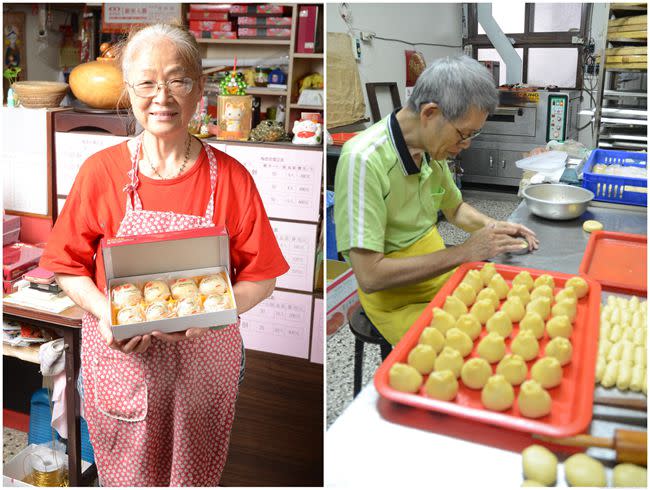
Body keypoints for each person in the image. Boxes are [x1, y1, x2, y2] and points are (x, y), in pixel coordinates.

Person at [40, 24, 289, 486]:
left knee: (193, 474)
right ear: (128, 90)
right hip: (123, 363)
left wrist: (215, 310)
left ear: (199, 89)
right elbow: (66, 266)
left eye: (177, 80)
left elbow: (262, 276)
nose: (162, 96)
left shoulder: (233, 179)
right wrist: (106, 312)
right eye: (147, 82)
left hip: (203, 365)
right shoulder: (101, 172)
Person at [334, 55, 539, 346]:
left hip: (438, 272)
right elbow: (370, 275)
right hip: (396, 297)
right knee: (468, 347)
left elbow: (454, 209)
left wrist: (496, 227)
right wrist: (466, 252)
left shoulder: (431, 148)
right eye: (463, 134)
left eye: (473, 135)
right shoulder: (364, 160)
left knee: (513, 311)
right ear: (430, 113)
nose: (465, 145)